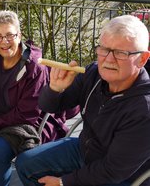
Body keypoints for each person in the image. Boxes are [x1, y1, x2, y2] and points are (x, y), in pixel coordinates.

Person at [16, 15, 150, 186]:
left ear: (142, 59)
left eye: (120, 53)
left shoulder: (144, 109)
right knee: (26, 164)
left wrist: (63, 182)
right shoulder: (93, 73)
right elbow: (48, 106)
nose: (108, 59)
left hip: (123, 176)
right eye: (104, 49)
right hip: (84, 149)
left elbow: (113, 170)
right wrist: (55, 89)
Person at [0, 10, 79, 186]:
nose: (4, 42)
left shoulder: (33, 67)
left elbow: (27, 114)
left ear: (19, 35)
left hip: (24, 124)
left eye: (9, 35)